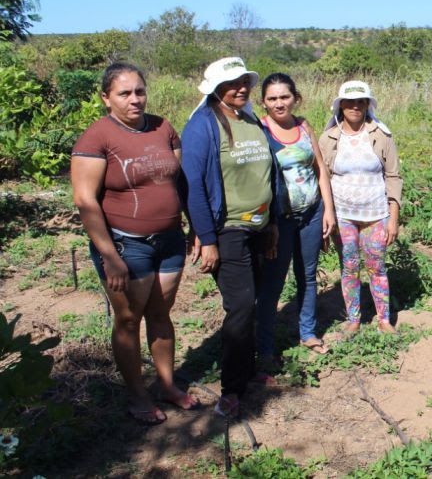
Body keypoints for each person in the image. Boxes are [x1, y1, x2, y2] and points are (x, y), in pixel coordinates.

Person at [71, 62, 198, 425]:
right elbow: (85, 200)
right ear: (106, 98)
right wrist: (110, 255)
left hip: (170, 240)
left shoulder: (162, 127)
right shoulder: (95, 139)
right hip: (127, 245)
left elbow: (178, 182)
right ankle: (137, 395)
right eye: (124, 93)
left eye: (139, 91)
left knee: (160, 314)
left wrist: (195, 228)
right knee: (129, 319)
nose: (134, 100)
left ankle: (167, 385)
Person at [181, 57, 278, 418]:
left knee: (248, 304)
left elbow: (268, 174)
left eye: (244, 82)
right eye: (232, 83)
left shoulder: (251, 118)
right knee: (239, 306)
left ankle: (247, 372)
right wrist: (206, 238)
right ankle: (231, 389)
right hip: (229, 230)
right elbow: (192, 188)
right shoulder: (202, 126)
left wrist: (271, 223)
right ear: (215, 88)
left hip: (258, 227)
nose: (241, 88)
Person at [256, 73, 336, 362]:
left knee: (308, 276)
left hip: (312, 213)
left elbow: (320, 168)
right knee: (273, 283)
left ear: (295, 98)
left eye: (284, 97)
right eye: (272, 98)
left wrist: (328, 209)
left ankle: (308, 332)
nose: (279, 103)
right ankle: (264, 346)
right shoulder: (259, 130)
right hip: (279, 221)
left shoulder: (303, 126)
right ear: (263, 102)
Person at [319, 81, 402, 334]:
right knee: (349, 267)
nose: (355, 107)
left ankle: (384, 319)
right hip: (343, 214)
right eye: (349, 102)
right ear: (340, 105)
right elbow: (322, 177)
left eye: (361, 102)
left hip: (375, 214)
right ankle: (353, 319)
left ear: (368, 105)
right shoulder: (328, 138)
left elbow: (394, 176)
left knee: (377, 267)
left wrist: (393, 217)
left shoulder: (381, 135)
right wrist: (326, 214)